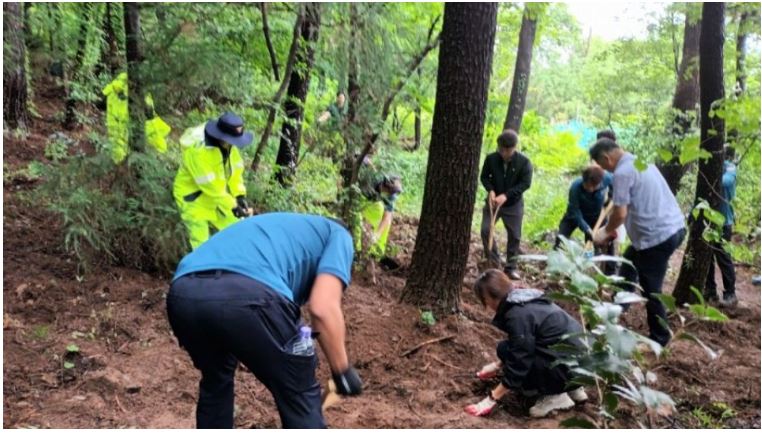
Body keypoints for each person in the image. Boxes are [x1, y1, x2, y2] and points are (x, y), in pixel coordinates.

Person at [166, 212, 363, 428]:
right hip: (249, 294)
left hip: (184, 293)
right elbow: (323, 307)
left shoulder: (281, 227)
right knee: (299, 391)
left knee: (216, 381)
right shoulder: (339, 235)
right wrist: (342, 370)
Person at [590, 138, 685, 347]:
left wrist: (605, 232)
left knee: (651, 288)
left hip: (656, 238)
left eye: (603, 165)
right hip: (674, 227)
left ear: (606, 157)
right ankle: (618, 305)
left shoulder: (622, 173)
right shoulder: (642, 162)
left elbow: (620, 214)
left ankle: (660, 337)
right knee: (629, 261)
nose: (605, 170)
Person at [464, 269, 588, 418]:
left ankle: (555, 397)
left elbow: (519, 362)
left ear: (489, 297)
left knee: (509, 353)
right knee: (505, 349)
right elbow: (525, 345)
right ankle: (574, 388)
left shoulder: (517, 315)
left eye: (484, 299)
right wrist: (497, 366)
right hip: (583, 364)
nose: (486, 304)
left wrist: (491, 399)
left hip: (566, 367)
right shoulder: (526, 298)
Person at [173, 112, 253, 250]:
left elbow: (236, 172)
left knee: (238, 230)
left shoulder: (229, 147)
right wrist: (233, 206)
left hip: (217, 197)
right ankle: (199, 270)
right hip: (193, 198)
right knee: (201, 245)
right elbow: (210, 186)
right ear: (223, 136)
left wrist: (240, 196)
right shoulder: (198, 152)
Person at [479, 129, 533, 280]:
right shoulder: (491, 159)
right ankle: (493, 262)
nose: (502, 153)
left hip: (513, 205)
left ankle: (510, 267)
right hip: (493, 203)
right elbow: (484, 177)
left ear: (514, 148)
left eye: (506, 150)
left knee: (514, 236)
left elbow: (525, 184)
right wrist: (490, 190)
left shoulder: (524, 163)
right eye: (500, 149)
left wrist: (507, 195)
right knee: (485, 230)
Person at [705, 153, 738, 307]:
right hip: (707, 220)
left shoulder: (730, 168)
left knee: (723, 257)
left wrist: (711, 175)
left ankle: (730, 293)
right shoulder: (707, 167)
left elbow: (725, 182)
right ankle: (710, 291)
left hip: (723, 222)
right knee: (706, 258)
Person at [357, 169, 403, 267]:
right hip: (363, 199)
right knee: (372, 213)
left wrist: (376, 235)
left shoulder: (391, 195)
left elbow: (387, 216)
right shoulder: (370, 181)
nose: (389, 194)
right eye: (388, 192)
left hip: (374, 203)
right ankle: (357, 252)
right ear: (383, 185)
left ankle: (376, 254)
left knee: (386, 223)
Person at [102, 72, 129, 164]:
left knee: (114, 141)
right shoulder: (132, 90)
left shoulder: (111, 86)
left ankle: (116, 162)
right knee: (124, 140)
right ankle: (122, 162)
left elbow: (101, 98)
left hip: (112, 120)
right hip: (124, 120)